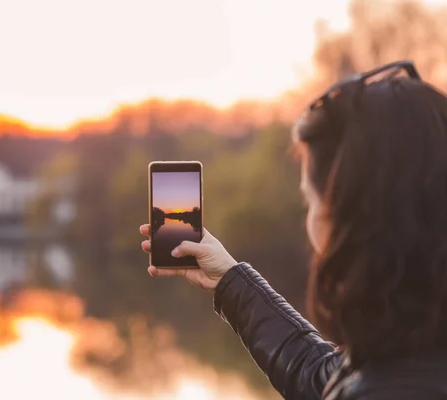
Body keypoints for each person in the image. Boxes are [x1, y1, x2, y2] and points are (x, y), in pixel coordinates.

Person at [139, 60, 447, 399]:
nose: (310, 220)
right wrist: (228, 280)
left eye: (310, 202)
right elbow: (323, 378)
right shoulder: (415, 342)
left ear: (347, 215)